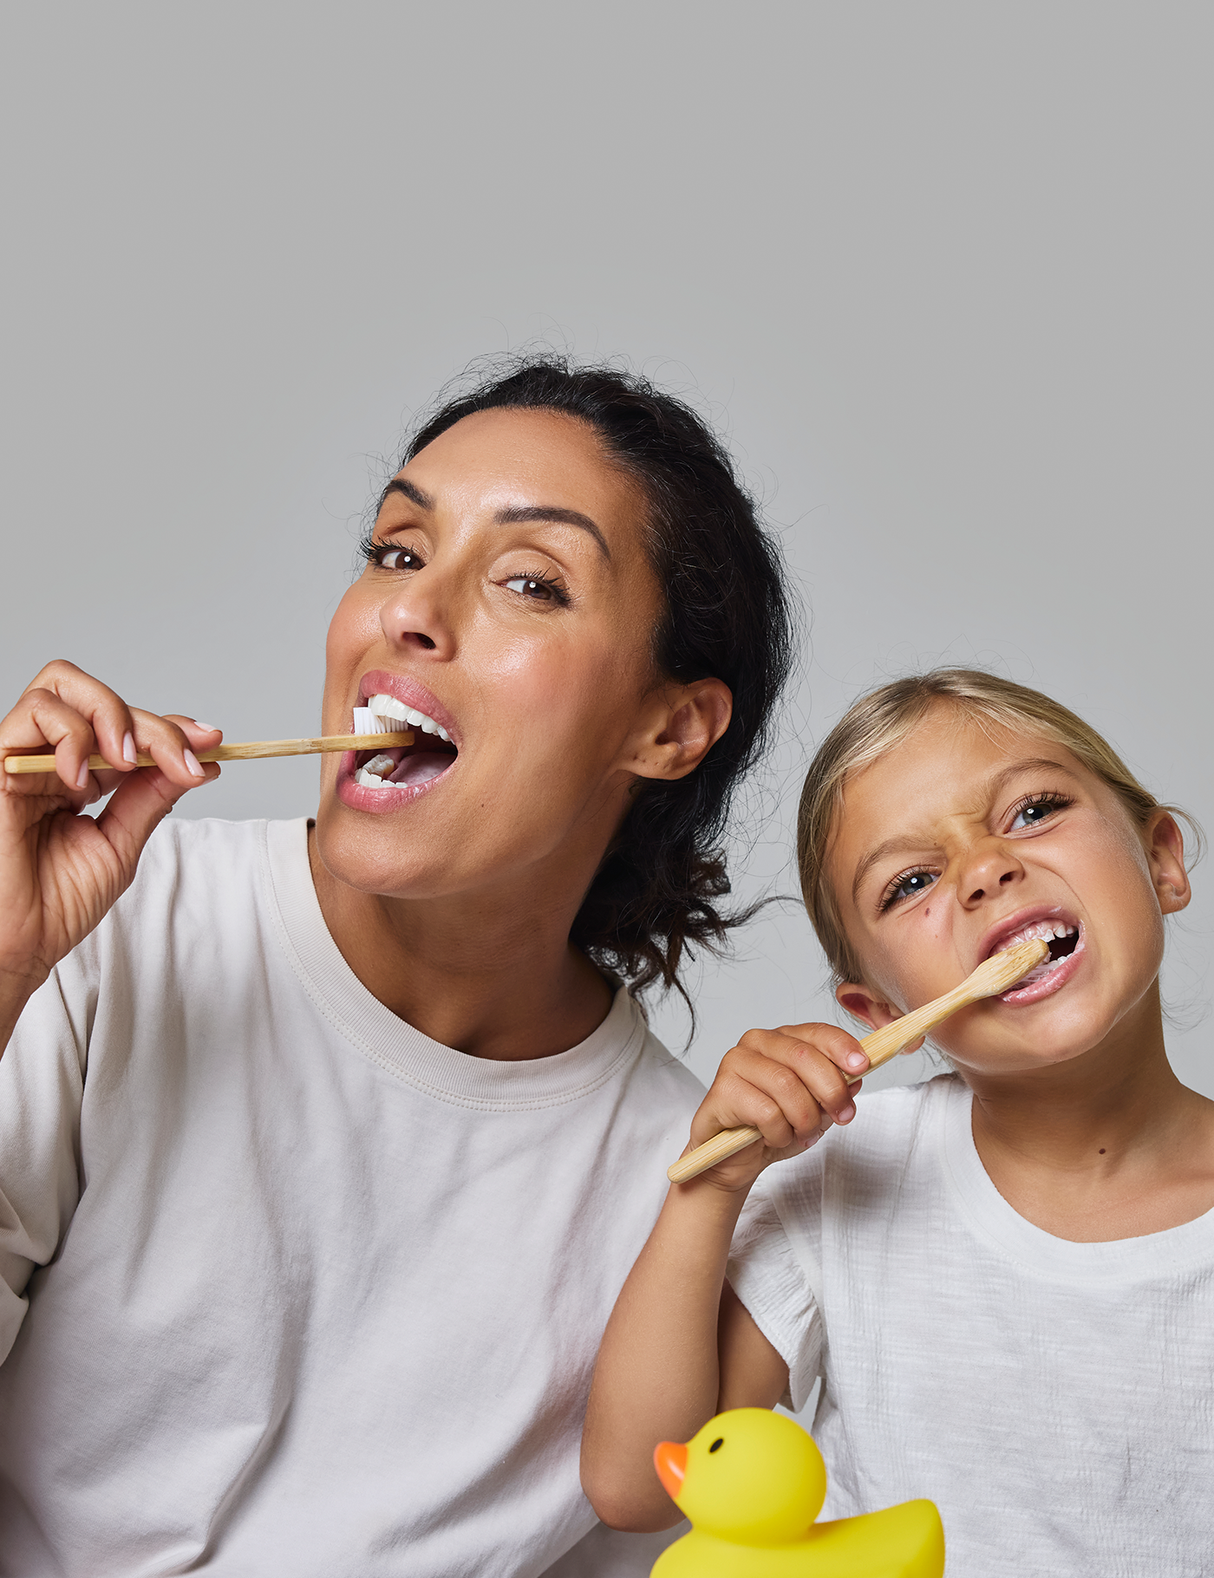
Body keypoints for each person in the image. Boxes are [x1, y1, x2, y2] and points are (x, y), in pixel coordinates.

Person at [0, 356, 794, 1576]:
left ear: (669, 727)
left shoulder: (689, 1188)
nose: (409, 612)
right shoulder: (114, 940)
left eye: (528, 581)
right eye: (396, 550)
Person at [582, 668, 1214, 1575]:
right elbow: (639, 1489)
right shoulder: (847, 1175)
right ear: (880, 1011)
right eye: (911, 880)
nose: (985, 871)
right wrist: (712, 1187)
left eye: (1033, 811)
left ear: (1160, 859)